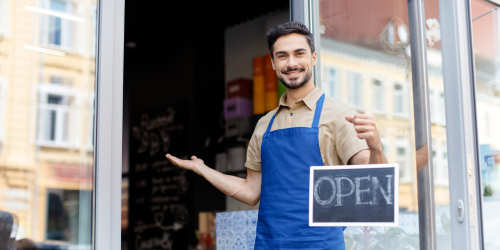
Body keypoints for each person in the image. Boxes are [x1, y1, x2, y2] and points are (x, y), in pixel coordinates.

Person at [167, 21, 387, 250]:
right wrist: (202, 169)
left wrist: (376, 147)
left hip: (321, 245)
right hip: (269, 244)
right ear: (273, 63)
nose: (291, 63)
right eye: (282, 56)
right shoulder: (263, 125)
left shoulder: (340, 115)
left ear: (313, 57)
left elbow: (374, 193)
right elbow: (251, 191)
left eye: (299, 53)